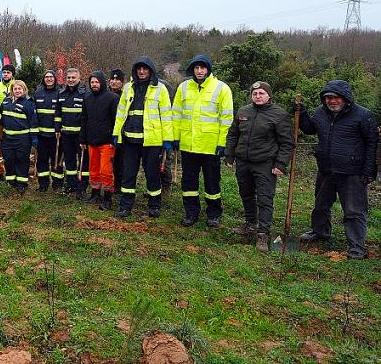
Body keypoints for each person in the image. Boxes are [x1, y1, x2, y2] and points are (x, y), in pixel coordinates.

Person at [295, 80, 378, 259]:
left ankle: (357, 246)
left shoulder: (363, 115)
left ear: (345, 98)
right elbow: (310, 129)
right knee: (321, 205)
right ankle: (320, 232)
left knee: (354, 210)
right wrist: (301, 114)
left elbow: (372, 143)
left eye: (335, 98)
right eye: (327, 98)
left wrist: (369, 169)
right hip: (326, 169)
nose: (331, 101)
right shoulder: (320, 113)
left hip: (352, 172)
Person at [224, 81, 294, 252]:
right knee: (246, 194)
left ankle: (263, 234)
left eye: (261, 93)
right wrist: (230, 155)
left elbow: (287, 142)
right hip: (243, 162)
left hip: (265, 164)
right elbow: (233, 134)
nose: (258, 96)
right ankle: (250, 224)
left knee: (264, 199)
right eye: (255, 94)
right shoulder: (243, 111)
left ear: (269, 95)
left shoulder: (278, 115)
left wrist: (280, 164)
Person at [172, 54, 234, 228]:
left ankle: (213, 214)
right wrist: (175, 137)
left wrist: (223, 143)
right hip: (188, 145)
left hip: (210, 146)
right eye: (196, 68)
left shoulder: (222, 88)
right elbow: (176, 114)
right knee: (189, 182)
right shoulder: (183, 88)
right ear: (192, 69)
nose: (199, 71)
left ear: (208, 69)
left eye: (203, 68)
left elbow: (226, 119)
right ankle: (191, 213)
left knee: (212, 181)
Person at [112, 58, 173, 218]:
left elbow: (166, 115)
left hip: (151, 140)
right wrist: (116, 134)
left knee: (152, 174)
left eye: (145, 69)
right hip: (130, 140)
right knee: (128, 173)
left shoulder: (160, 89)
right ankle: (125, 206)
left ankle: (154, 205)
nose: (141, 72)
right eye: (139, 69)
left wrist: (167, 139)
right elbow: (120, 113)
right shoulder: (128, 88)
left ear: (150, 70)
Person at [81, 71, 120, 208]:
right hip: (92, 141)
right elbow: (84, 119)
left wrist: (114, 138)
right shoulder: (87, 98)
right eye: (92, 82)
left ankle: (108, 198)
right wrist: (83, 138)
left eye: (97, 82)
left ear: (102, 82)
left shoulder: (112, 98)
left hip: (107, 141)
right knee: (94, 169)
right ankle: (95, 194)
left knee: (106, 170)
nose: (94, 84)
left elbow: (116, 120)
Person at [0, 80, 38, 195]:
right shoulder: (6, 101)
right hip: (7, 137)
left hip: (22, 138)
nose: (17, 91)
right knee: (9, 159)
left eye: (20, 89)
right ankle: (11, 181)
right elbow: (2, 116)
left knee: (22, 160)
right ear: (12, 90)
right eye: (15, 89)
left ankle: (21, 184)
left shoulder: (28, 103)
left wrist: (34, 137)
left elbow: (33, 121)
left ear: (24, 90)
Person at [57, 68, 89, 198]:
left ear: (79, 78)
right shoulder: (62, 93)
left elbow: (87, 116)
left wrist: (85, 134)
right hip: (66, 134)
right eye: (68, 78)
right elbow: (58, 113)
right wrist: (57, 128)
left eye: (73, 78)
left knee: (83, 162)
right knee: (69, 161)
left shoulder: (85, 93)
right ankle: (71, 184)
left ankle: (82, 187)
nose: (70, 80)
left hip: (80, 136)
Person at [0, 64, 16, 177]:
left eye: (8, 72)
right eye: (4, 72)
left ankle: (12, 171)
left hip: (13, 122)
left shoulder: (17, 85)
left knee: (11, 147)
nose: (6, 74)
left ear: (12, 74)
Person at [108, 68, 125, 195]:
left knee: (120, 162)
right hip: (107, 134)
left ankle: (119, 185)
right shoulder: (105, 95)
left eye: (117, 79)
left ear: (122, 82)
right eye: (112, 79)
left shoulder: (125, 96)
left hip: (121, 135)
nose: (114, 82)